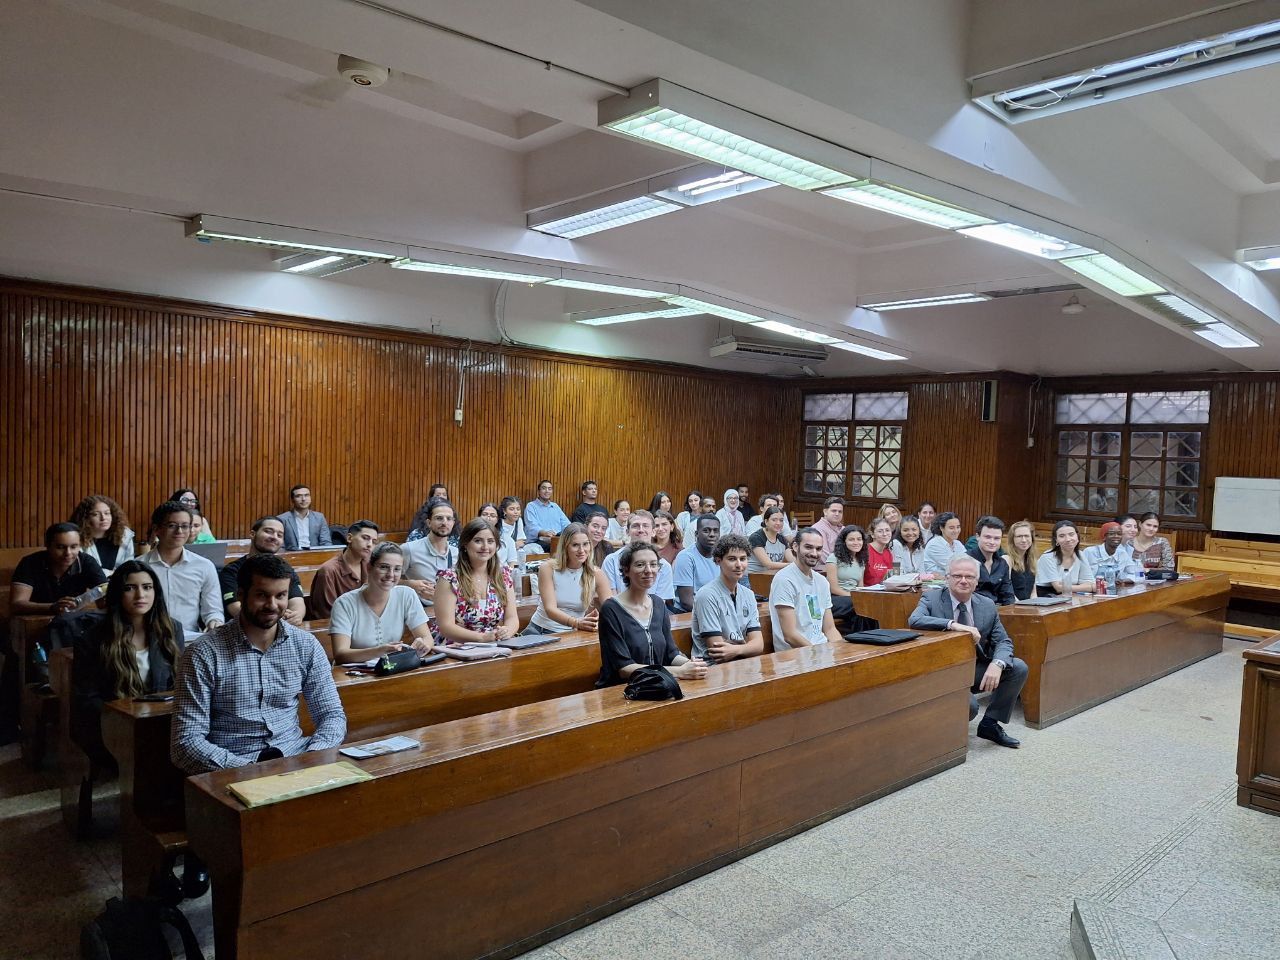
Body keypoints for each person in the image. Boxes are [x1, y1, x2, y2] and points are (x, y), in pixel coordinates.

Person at [171, 554, 345, 774]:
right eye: (262, 595)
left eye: (281, 595)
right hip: (232, 764)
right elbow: (185, 743)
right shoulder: (203, 653)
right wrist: (251, 770)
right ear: (241, 595)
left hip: (296, 758)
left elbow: (331, 715)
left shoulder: (305, 645)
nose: (272, 605)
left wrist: (312, 758)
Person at [71, 561, 184, 769]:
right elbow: (87, 699)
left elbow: (179, 683)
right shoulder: (92, 639)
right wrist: (126, 719)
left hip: (159, 722)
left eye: (147, 587)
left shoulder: (171, 629)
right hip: (111, 726)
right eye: (129, 588)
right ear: (117, 594)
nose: (140, 595)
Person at [908, 555, 1028, 748]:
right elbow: (914, 620)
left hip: (973, 668)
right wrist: (953, 625)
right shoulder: (932, 598)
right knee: (969, 707)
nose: (963, 581)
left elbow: (1004, 641)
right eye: (957, 576)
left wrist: (997, 664)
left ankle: (990, 723)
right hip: (943, 671)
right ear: (947, 578)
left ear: (977, 581)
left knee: (1018, 667)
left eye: (969, 577)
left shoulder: (987, 605)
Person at [595, 542, 708, 687]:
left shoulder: (658, 604)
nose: (649, 570)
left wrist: (690, 665)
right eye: (640, 565)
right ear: (626, 570)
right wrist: (679, 671)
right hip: (622, 690)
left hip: (656, 684)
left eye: (653, 564)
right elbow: (624, 668)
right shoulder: (611, 609)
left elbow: (671, 653)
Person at [329, 542, 434, 663]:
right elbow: (340, 654)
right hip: (354, 674)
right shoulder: (344, 604)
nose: (390, 575)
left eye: (397, 569)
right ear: (369, 568)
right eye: (384, 567)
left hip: (391, 669)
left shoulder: (406, 594)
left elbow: (427, 638)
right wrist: (380, 651)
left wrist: (422, 644)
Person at [134, 502, 223, 633]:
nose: (179, 531)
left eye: (185, 526)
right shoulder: (139, 566)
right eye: (172, 526)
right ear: (156, 529)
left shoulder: (204, 566)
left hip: (189, 639)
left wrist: (214, 621)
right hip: (147, 638)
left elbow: (213, 610)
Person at [431, 518, 519, 645]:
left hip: (492, 644)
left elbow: (512, 618)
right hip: (454, 647)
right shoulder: (449, 578)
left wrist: (507, 631)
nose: (485, 547)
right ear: (465, 544)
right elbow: (446, 627)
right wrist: (481, 638)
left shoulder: (503, 575)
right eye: (478, 541)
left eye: (490, 541)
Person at [524, 523, 612, 634]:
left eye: (585, 544)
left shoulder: (597, 574)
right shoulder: (548, 568)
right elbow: (550, 609)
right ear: (565, 546)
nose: (581, 550)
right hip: (540, 631)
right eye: (575, 545)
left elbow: (612, 610)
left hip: (574, 633)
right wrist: (576, 623)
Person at [219, 517, 307, 625]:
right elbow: (234, 608)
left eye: (279, 535)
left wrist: (296, 615)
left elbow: (297, 603)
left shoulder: (285, 569)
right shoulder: (232, 571)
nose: (274, 537)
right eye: (268, 531)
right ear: (252, 534)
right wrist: (274, 618)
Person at [691, 534, 764, 664]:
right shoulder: (707, 595)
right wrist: (746, 646)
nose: (739, 565)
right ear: (718, 561)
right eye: (732, 559)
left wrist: (736, 649)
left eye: (743, 559)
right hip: (710, 667)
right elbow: (717, 650)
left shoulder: (748, 594)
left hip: (740, 662)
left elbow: (758, 645)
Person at [10, 523, 107, 616]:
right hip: (33, 623)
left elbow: (103, 600)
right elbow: (16, 604)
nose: (68, 553)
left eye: (73, 547)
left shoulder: (87, 562)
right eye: (60, 547)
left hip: (72, 623)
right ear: (48, 546)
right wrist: (51, 607)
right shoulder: (30, 562)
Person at [769, 528, 843, 651]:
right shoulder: (784, 579)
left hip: (820, 650)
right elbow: (790, 635)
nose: (814, 553)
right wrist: (818, 654)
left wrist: (841, 652)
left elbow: (830, 629)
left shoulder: (822, 581)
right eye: (808, 547)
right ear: (795, 546)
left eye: (818, 549)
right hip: (794, 656)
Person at [600, 510, 676, 604]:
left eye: (645, 526)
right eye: (635, 526)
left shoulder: (664, 566)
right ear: (627, 531)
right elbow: (610, 601)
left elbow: (658, 606)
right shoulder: (611, 561)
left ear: (653, 532)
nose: (641, 530)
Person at [308, 519, 378, 620]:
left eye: (374, 542)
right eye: (365, 538)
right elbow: (327, 614)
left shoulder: (371, 566)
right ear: (349, 538)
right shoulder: (328, 571)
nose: (370, 545)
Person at [401, 497, 457, 609]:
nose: (444, 522)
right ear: (429, 522)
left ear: (453, 523)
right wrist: (410, 585)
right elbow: (388, 580)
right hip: (418, 611)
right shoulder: (409, 549)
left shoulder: (457, 553)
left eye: (449, 518)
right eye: (439, 518)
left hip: (449, 611)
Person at [71, 495, 135, 575]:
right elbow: (85, 571)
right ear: (85, 518)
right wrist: (115, 574)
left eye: (107, 513)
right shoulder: (76, 538)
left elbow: (130, 566)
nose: (103, 518)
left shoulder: (125, 535)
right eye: (95, 514)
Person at [674, 515, 721, 612]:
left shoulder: (722, 556)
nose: (712, 534)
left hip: (715, 609)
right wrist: (716, 613)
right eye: (706, 530)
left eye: (715, 531)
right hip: (689, 613)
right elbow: (686, 602)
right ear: (696, 534)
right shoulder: (686, 557)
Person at [826, 524, 870, 628]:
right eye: (851, 539)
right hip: (835, 599)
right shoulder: (834, 558)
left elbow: (860, 587)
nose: (856, 542)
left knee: (869, 606)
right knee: (860, 605)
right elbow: (833, 588)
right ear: (844, 541)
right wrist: (854, 597)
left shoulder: (861, 561)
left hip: (854, 599)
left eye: (859, 539)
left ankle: (867, 637)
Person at [966, 517, 1016, 605]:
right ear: (977, 537)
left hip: (998, 612)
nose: (992, 542)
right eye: (988, 537)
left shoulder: (1002, 564)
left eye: (997, 538)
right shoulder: (965, 560)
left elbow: (1008, 595)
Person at [1036, 520, 1094, 595]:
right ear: (1056, 540)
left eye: (1071, 534)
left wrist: (1090, 586)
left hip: (1071, 596)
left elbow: (1089, 582)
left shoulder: (1081, 555)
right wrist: (1090, 588)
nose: (1068, 539)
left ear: (1078, 536)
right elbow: (1058, 588)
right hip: (1047, 596)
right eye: (1062, 536)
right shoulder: (1047, 557)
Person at [1082, 521, 1141, 586]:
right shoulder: (1090, 552)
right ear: (1104, 537)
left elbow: (1136, 573)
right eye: (1112, 534)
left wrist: (1126, 579)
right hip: (1093, 590)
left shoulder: (1122, 554)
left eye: (1119, 534)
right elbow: (1082, 576)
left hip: (1116, 591)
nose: (1116, 536)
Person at [277, 484, 332, 551]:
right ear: (292, 500)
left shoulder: (319, 517)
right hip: (292, 556)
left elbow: (326, 542)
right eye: (298, 496)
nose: (303, 499)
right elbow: (280, 546)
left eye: (306, 495)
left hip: (315, 555)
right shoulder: (282, 519)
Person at [524, 480, 570, 553]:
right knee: (558, 548)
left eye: (549, 488)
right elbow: (531, 526)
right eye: (544, 488)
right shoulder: (531, 506)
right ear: (538, 491)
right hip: (539, 541)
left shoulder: (555, 506)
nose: (547, 491)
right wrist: (545, 533)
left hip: (557, 539)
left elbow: (566, 524)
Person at [748, 506, 792, 574]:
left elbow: (791, 558)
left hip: (772, 576)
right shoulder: (756, 537)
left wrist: (799, 564)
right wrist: (792, 565)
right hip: (753, 577)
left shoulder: (782, 539)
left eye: (781, 520)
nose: (778, 523)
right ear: (766, 521)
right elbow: (768, 565)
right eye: (774, 520)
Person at [479, 503, 520, 568]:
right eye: (485, 514)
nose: (488, 518)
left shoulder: (507, 539)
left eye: (492, 516)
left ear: (497, 519)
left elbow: (513, 562)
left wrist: (509, 575)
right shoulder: (471, 537)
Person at [1006, 520, 1039, 601]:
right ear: (1012, 539)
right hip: (1012, 605)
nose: (1024, 540)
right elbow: (1007, 590)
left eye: (1027, 536)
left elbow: (1033, 593)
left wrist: (1034, 606)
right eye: (1019, 536)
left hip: (1028, 606)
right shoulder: (1007, 559)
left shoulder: (1032, 560)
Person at [811, 497, 845, 570]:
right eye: (834, 511)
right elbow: (824, 557)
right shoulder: (818, 529)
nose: (837, 514)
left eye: (840, 511)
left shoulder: (843, 529)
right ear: (825, 512)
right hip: (824, 570)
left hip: (841, 567)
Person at [864, 518, 895, 586]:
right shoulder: (865, 550)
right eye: (880, 531)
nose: (885, 534)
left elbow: (891, 577)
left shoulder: (888, 553)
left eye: (887, 530)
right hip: (866, 592)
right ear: (872, 534)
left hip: (883, 591)